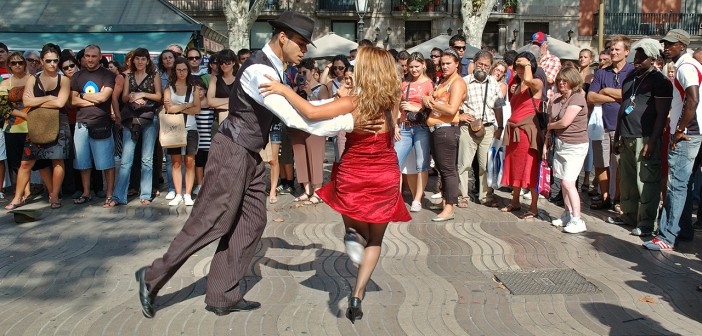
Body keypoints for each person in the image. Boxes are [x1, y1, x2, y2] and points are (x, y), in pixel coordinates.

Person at [135, 11, 366, 319]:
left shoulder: (274, 68)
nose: (304, 51)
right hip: (232, 150)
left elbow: (305, 107)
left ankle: (222, 294)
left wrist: (345, 106)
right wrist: (355, 120)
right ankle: (151, 276)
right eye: (301, 43)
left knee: (253, 221)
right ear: (283, 38)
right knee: (211, 221)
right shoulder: (259, 70)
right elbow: (298, 117)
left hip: (250, 155)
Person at [259, 45, 411, 324]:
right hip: (384, 174)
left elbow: (311, 113)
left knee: (354, 228)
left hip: (354, 172)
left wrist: (284, 90)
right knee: (375, 240)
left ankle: (353, 241)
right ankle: (357, 293)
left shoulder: (355, 103)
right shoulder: (392, 97)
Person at [644, 29, 702, 251]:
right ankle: (683, 230)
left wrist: (679, 128)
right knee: (683, 184)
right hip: (694, 131)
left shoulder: (686, 67)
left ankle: (667, 236)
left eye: (671, 43)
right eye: (665, 43)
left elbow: (693, 98)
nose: (666, 47)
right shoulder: (691, 65)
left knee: (675, 185)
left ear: (682, 46)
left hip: (688, 133)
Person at [608, 39, 672, 237]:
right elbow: (623, 109)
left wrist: (652, 141)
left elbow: (662, 114)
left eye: (642, 57)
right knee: (627, 181)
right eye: (636, 56)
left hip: (645, 138)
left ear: (652, 59)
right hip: (626, 135)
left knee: (646, 182)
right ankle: (629, 215)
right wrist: (618, 135)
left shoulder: (660, 82)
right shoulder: (630, 78)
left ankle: (646, 223)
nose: (637, 60)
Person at [6, 44, 71, 210]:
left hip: (59, 123)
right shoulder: (33, 79)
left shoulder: (63, 79)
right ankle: (18, 197)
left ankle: (54, 195)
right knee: (26, 163)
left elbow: (61, 102)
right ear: (42, 61)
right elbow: (27, 102)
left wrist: (39, 101)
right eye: (48, 60)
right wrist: (50, 97)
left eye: (55, 60)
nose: (52, 64)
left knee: (57, 161)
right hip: (36, 124)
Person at [108, 48, 162, 207]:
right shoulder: (128, 76)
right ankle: (119, 196)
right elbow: (123, 97)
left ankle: (145, 193)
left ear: (147, 61)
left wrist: (142, 94)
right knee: (126, 159)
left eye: (143, 59)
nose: (140, 62)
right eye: (137, 59)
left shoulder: (154, 76)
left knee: (147, 158)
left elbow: (159, 96)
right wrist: (132, 96)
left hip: (149, 118)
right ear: (133, 61)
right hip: (130, 118)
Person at [587, 35, 634, 211]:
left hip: (623, 127)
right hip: (602, 125)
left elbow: (628, 95)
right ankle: (605, 196)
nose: (613, 52)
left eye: (617, 49)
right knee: (601, 163)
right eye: (612, 49)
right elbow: (591, 96)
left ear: (626, 52)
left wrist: (605, 91)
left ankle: (618, 198)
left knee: (620, 165)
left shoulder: (632, 72)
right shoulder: (601, 73)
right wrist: (613, 96)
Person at [422, 48, 466, 222]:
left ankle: (450, 207)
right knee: (442, 168)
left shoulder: (457, 82)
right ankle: (445, 201)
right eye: (442, 64)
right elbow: (430, 99)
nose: (445, 66)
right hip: (436, 129)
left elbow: (452, 109)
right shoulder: (444, 81)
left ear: (457, 64)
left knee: (448, 170)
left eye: (448, 63)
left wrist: (431, 102)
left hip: (447, 129)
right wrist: (426, 100)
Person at [545, 67, 590, 233]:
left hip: (575, 145)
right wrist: (546, 143)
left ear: (573, 81)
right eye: (559, 80)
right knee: (562, 180)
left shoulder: (577, 98)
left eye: (565, 80)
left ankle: (577, 219)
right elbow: (552, 119)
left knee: (568, 182)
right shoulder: (557, 99)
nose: (561, 83)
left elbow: (565, 122)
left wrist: (549, 126)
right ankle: (567, 213)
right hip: (560, 143)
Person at [70, 44, 116, 205]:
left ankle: (110, 194)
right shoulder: (77, 76)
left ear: (99, 56)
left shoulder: (107, 75)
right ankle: (86, 192)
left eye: (93, 56)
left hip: (101, 123)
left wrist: (83, 96)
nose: (90, 59)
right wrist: (94, 97)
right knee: (83, 163)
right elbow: (73, 100)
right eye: (87, 56)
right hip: (81, 124)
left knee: (107, 163)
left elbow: (104, 98)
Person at [500, 52, 544, 219]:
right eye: (516, 65)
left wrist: (526, 66)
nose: (517, 68)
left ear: (530, 66)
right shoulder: (516, 85)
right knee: (515, 166)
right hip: (514, 131)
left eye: (522, 65)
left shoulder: (536, 82)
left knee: (529, 168)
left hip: (527, 132)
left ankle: (533, 206)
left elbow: (528, 80)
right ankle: (515, 200)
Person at [457, 50, 503, 208]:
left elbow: (498, 106)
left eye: (486, 65)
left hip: (488, 127)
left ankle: (486, 196)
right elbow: (455, 104)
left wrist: (500, 126)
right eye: (480, 64)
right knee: (464, 164)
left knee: (485, 165)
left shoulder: (494, 83)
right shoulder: (463, 82)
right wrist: (461, 116)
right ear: (474, 64)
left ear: (490, 67)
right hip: (466, 127)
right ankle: (463, 196)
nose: (482, 68)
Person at [395, 52, 433, 212]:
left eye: (416, 66)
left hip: (421, 127)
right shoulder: (404, 83)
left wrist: (415, 108)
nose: (413, 70)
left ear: (423, 64)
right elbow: (397, 106)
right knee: (394, 163)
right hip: (404, 127)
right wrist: (396, 125)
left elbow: (432, 108)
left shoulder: (429, 84)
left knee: (421, 165)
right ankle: (394, 198)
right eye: (410, 67)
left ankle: (417, 199)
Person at [288, 58, 327, 205]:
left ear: (313, 72)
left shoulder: (321, 88)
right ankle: (306, 190)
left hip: (315, 128)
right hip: (298, 127)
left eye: (304, 72)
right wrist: (297, 90)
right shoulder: (297, 87)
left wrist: (309, 92)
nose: (301, 75)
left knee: (315, 158)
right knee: (300, 158)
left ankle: (317, 191)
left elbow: (323, 107)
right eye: (299, 73)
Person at [164, 57, 200, 206]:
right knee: (176, 162)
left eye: (184, 69)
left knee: (190, 161)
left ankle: (187, 194)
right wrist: (187, 105)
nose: (181, 72)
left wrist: (178, 106)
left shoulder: (194, 88)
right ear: (174, 71)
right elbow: (168, 109)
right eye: (178, 69)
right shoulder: (169, 89)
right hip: (174, 128)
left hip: (191, 127)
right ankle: (178, 193)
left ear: (188, 70)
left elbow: (197, 109)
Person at [0, 51, 30, 202]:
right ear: (9, 66)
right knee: (15, 162)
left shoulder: (33, 79)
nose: (17, 65)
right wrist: (24, 115)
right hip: (12, 129)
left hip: (32, 128)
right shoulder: (5, 84)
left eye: (20, 62)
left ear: (25, 64)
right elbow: (5, 109)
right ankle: (24, 191)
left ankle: (29, 191)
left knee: (32, 161)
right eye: (13, 63)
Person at [532, 32, 561, 102]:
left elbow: (550, 80)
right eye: (535, 45)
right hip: (531, 99)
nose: (537, 47)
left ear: (546, 44)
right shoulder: (529, 60)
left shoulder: (554, 60)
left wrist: (537, 67)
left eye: (539, 45)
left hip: (546, 100)